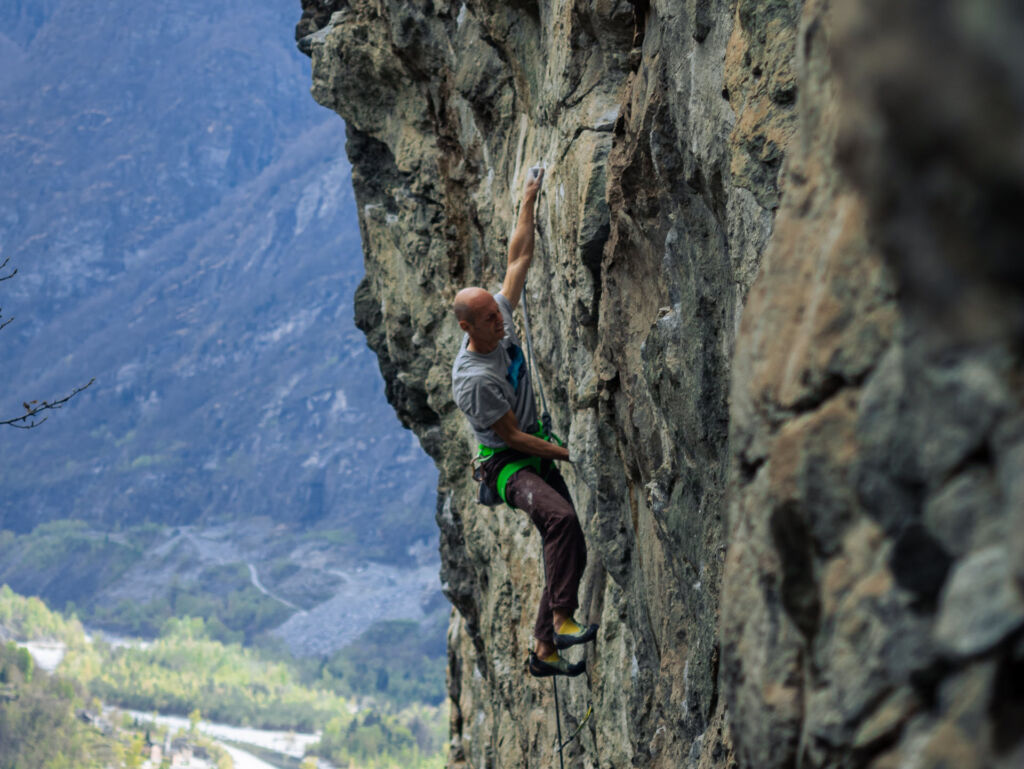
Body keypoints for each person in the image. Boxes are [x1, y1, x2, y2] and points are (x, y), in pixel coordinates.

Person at [451, 168, 598, 677]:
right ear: (470, 328)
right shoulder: (474, 380)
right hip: (505, 464)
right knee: (560, 520)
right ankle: (560, 621)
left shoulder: (498, 317)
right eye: (491, 318)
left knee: (568, 541)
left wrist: (529, 199)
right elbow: (511, 436)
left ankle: (543, 652)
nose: (502, 318)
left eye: (499, 312)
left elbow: (519, 258)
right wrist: (570, 453)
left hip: (531, 448)